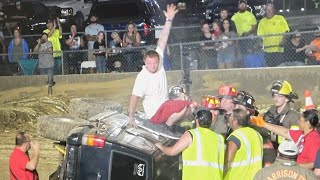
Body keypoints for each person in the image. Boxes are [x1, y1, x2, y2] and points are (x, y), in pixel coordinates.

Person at [127, 4, 179, 128]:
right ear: (145, 62)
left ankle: (170, 125)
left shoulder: (159, 62)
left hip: (165, 108)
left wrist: (169, 20)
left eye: (155, 63)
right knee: (184, 106)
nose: (153, 66)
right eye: (150, 63)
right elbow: (134, 97)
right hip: (155, 115)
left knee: (188, 106)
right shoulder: (142, 77)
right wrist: (131, 117)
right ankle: (168, 125)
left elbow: (162, 39)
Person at [155, 109, 225, 180]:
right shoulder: (219, 138)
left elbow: (172, 151)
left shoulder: (191, 134)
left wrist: (160, 146)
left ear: (197, 120)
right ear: (211, 121)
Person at [251, 109, 320, 170]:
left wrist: (293, 166)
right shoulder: (301, 134)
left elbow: (314, 164)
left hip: (303, 174)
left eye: (301, 120)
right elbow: (285, 132)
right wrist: (264, 124)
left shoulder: (314, 139)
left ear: (307, 123)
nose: (298, 122)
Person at [233, 91, 276, 167]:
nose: (235, 110)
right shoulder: (230, 127)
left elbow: (269, 159)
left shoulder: (259, 132)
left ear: (248, 112)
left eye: (239, 108)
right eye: (235, 106)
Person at [224, 108, 263, 180]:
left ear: (235, 121)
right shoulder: (257, 134)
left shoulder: (235, 137)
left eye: (230, 116)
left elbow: (227, 162)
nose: (228, 119)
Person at [263, 80, 300, 147]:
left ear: (287, 99)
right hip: (271, 150)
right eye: (274, 95)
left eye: (280, 96)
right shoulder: (269, 114)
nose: (276, 99)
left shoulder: (294, 116)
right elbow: (264, 133)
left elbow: (296, 138)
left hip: (287, 152)